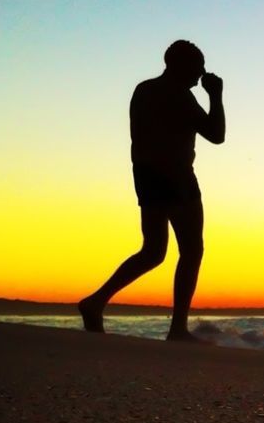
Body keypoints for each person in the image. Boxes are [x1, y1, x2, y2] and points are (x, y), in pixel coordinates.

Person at [79, 40, 226, 340]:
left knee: (153, 251)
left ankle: (96, 302)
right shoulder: (180, 96)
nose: (201, 74)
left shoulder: (144, 89)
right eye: (197, 67)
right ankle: (178, 328)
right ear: (181, 65)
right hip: (176, 177)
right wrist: (216, 96)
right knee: (191, 250)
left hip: (146, 176)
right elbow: (217, 134)